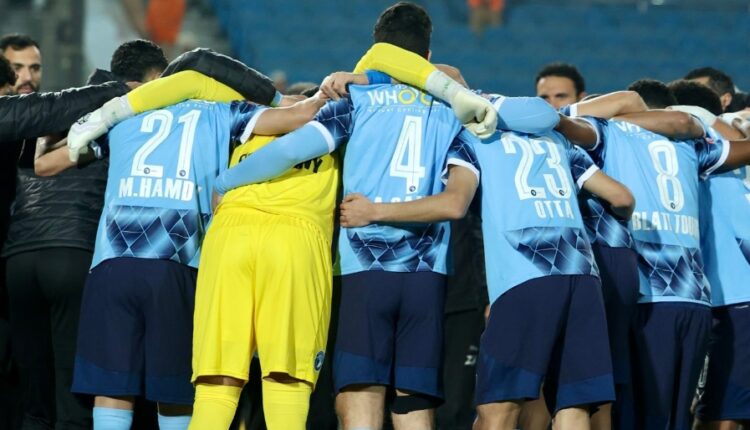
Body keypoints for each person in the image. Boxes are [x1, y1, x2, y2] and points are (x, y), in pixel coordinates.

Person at [69, 70, 323, 430]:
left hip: (112, 262)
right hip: (176, 263)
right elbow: (298, 117)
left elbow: (52, 160)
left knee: (112, 388)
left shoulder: (127, 118)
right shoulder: (222, 111)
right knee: (175, 390)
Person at [571, 80, 750, 430]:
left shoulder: (611, 135)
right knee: (674, 418)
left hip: (647, 297)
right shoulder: (691, 146)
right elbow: (694, 129)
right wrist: (703, 121)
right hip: (694, 301)